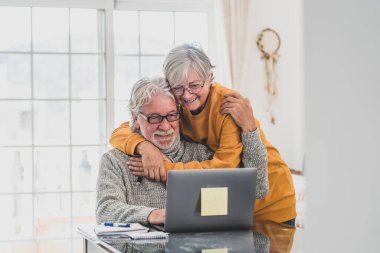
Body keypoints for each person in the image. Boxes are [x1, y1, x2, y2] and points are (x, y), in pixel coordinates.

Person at [110, 44, 296, 225]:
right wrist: (144, 147)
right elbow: (122, 130)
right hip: (232, 208)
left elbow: (225, 169)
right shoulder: (175, 108)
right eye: (178, 87)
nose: (187, 95)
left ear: (210, 78)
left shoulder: (227, 106)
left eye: (195, 85)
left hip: (271, 201)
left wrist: (165, 169)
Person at [96, 77, 268, 225]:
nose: (165, 126)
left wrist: (249, 129)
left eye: (171, 115)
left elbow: (250, 193)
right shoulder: (114, 161)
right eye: (154, 118)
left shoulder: (201, 155)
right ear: (135, 118)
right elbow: (105, 211)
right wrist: (155, 214)